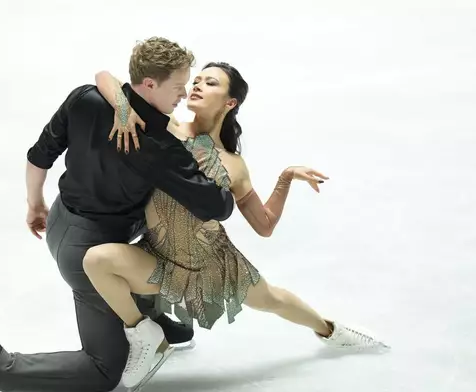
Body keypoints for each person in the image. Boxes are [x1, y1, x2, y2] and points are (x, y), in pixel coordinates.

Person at [0, 37, 236, 392]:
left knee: (159, 224)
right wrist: (217, 161)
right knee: (104, 370)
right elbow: (219, 206)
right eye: (178, 86)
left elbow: (39, 156)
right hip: (88, 255)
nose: (184, 94)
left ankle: (150, 315)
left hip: (61, 221)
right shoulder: (158, 144)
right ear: (150, 84)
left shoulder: (85, 98)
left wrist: (35, 205)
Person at [84, 62, 390, 387]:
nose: (198, 85)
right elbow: (104, 77)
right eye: (197, 80)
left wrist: (285, 178)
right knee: (96, 260)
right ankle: (144, 333)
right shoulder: (167, 127)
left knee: (272, 299)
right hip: (159, 258)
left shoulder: (233, 165)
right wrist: (122, 107)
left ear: (230, 102)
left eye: (210, 83)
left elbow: (265, 225)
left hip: (212, 265)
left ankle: (331, 330)